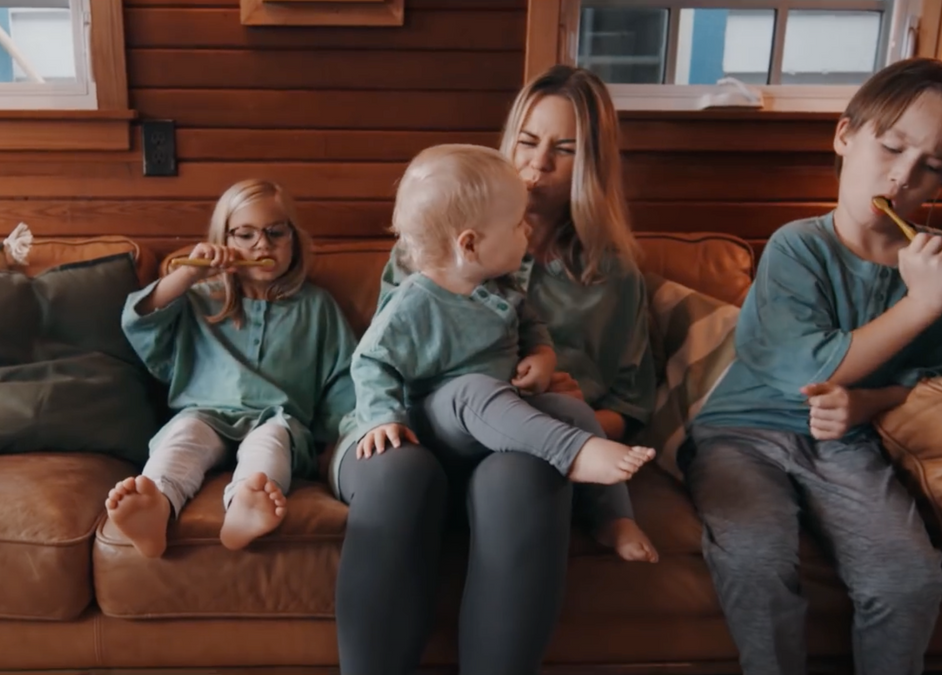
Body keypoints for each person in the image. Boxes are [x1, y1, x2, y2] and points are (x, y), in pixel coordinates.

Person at [683, 57, 942, 675]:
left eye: (929, 167)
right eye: (891, 147)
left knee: (907, 580)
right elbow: (811, 365)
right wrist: (921, 304)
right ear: (845, 136)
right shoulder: (799, 244)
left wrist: (868, 404)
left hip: (846, 439)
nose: (902, 177)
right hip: (741, 432)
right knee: (756, 558)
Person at [333, 144, 656, 675]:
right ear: (469, 243)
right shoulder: (417, 300)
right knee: (471, 392)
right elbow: (371, 362)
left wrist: (545, 358)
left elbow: (535, 331)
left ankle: (612, 516)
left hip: (497, 426)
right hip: (429, 421)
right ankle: (571, 453)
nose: (526, 234)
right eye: (516, 225)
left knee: (565, 410)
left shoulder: (500, 290)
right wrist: (382, 417)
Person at [376, 64, 660, 563]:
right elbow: (388, 359)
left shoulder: (615, 276)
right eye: (527, 142)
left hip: (543, 440)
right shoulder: (433, 248)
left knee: (520, 471)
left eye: (564, 150)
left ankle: (610, 516)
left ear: (592, 163)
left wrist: (576, 413)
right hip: (444, 426)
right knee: (476, 402)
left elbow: (632, 406)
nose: (539, 163)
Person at [105, 179, 357, 558]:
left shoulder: (316, 306)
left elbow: (343, 378)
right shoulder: (200, 297)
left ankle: (245, 505)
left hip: (278, 417)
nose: (262, 245)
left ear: (294, 239)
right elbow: (139, 322)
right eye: (245, 234)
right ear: (225, 240)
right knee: (184, 436)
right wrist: (188, 273)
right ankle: (156, 503)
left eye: (275, 232)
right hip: (204, 413)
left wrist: (331, 442)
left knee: (268, 445)